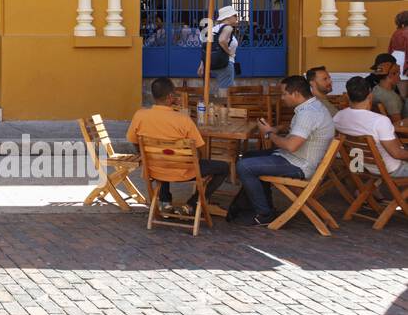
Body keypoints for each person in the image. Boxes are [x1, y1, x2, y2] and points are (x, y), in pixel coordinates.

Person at [234, 75, 336, 226]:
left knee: (244, 166)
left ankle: (264, 214)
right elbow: (297, 129)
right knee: (245, 156)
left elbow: (291, 145)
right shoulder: (312, 107)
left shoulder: (308, 114)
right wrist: (276, 128)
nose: (282, 98)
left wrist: (269, 133)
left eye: (284, 94)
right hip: (295, 158)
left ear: (295, 94)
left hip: (300, 165)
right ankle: (265, 206)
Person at [128, 77, 231, 214]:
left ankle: (165, 202)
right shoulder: (183, 120)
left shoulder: (139, 116)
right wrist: (200, 163)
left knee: (164, 156)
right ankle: (192, 204)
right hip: (184, 172)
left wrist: (144, 155)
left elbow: (134, 140)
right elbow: (201, 147)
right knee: (224, 168)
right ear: (171, 97)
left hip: (154, 168)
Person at [333, 75, 408, 183]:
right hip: (390, 169)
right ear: (370, 96)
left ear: (348, 97)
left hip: (362, 166)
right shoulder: (380, 121)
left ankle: (366, 190)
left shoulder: (338, 117)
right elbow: (397, 154)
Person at [202, 5, 238, 96]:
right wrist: (230, 53)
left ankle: (218, 107)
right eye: (235, 15)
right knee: (225, 92)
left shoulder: (213, 29)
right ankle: (224, 109)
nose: (236, 18)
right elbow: (222, 40)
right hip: (225, 63)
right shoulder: (228, 28)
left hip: (212, 65)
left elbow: (206, 47)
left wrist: (202, 64)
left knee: (219, 91)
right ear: (228, 17)